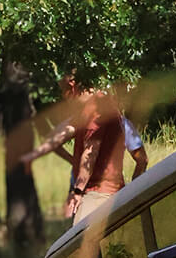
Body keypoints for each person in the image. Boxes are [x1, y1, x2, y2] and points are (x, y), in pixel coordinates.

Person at [22, 72, 127, 223]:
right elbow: (56, 138)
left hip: (99, 193)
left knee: (79, 242)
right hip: (93, 190)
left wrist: (77, 191)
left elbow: (91, 153)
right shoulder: (86, 110)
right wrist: (33, 156)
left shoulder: (97, 108)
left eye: (62, 91)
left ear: (72, 87)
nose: (63, 97)